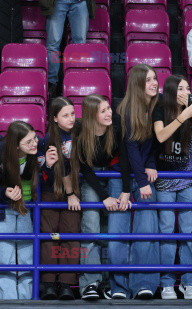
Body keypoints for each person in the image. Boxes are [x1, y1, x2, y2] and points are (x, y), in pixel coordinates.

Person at [152, 75, 192, 300]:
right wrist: (181, 117)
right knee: (167, 231)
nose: (185, 92)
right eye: (180, 88)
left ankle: (189, 282)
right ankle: (166, 282)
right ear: (170, 91)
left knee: (187, 231)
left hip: (187, 179)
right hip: (165, 180)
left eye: (187, 88)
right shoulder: (159, 109)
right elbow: (160, 136)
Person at [69, 94, 131, 300]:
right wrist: (105, 197)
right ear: (91, 116)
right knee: (92, 226)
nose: (109, 113)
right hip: (91, 177)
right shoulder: (80, 131)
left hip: (111, 173)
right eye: (103, 111)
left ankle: (106, 282)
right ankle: (90, 282)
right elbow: (85, 168)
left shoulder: (116, 126)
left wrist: (125, 190)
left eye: (108, 109)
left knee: (108, 230)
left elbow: (124, 159)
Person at [114, 63, 159, 300]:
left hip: (142, 174)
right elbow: (129, 149)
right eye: (148, 80)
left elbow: (151, 144)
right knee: (118, 234)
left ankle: (145, 284)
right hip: (122, 176)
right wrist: (142, 181)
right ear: (137, 85)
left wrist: (151, 163)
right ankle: (119, 287)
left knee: (146, 231)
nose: (153, 83)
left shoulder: (154, 107)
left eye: (154, 79)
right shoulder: (125, 110)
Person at [0, 122, 50, 299]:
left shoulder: (37, 152)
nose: (34, 143)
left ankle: (26, 298)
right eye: (28, 141)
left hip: (26, 209)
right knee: (4, 256)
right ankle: (8, 299)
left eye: (35, 138)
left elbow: (45, 180)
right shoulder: (2, 153)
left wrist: (47, 166)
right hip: (4, 211)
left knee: (26, 256)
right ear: (15, 145)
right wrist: (3, 192)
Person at [38, 97, 81, 300]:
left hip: (73, 193)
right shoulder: (47, 139)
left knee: (70, 237)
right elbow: (48, 171)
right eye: (65, 115)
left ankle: (66, 283)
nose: (71, 118)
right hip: (50, 192)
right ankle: (47, 284)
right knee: (48, 238)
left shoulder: (79, 134)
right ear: (54, 118)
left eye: (72, 113)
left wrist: (73, 194)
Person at [39, 0, 95, 97]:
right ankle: (52, 84)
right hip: (57, 2)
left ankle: (77, 80)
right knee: (53, 45)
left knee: (80, 46)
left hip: (79, 2)